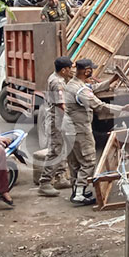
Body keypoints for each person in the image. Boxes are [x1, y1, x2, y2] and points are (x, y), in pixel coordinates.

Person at [63, 59, 129, 205]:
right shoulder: (80, 91)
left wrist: (112, 80)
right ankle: (79, 195)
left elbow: (92, 88)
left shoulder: (74, 84)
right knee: (88, 160)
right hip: (79, 129)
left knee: (75, 161)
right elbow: (99, 106)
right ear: (87, 71)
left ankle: (77, 190)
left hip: (69, 128)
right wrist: (122, 109)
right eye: (91, 69)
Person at [38, 57, 74, 197]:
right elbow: (61, 104)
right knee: (55, 151)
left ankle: (60, 177)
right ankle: (45, 182)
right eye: (69, 68)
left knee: (61, 148)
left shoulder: (56, 78)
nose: (70, 71)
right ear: (64, 69)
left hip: (58, 120)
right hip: (55, 121)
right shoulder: (57, 82)